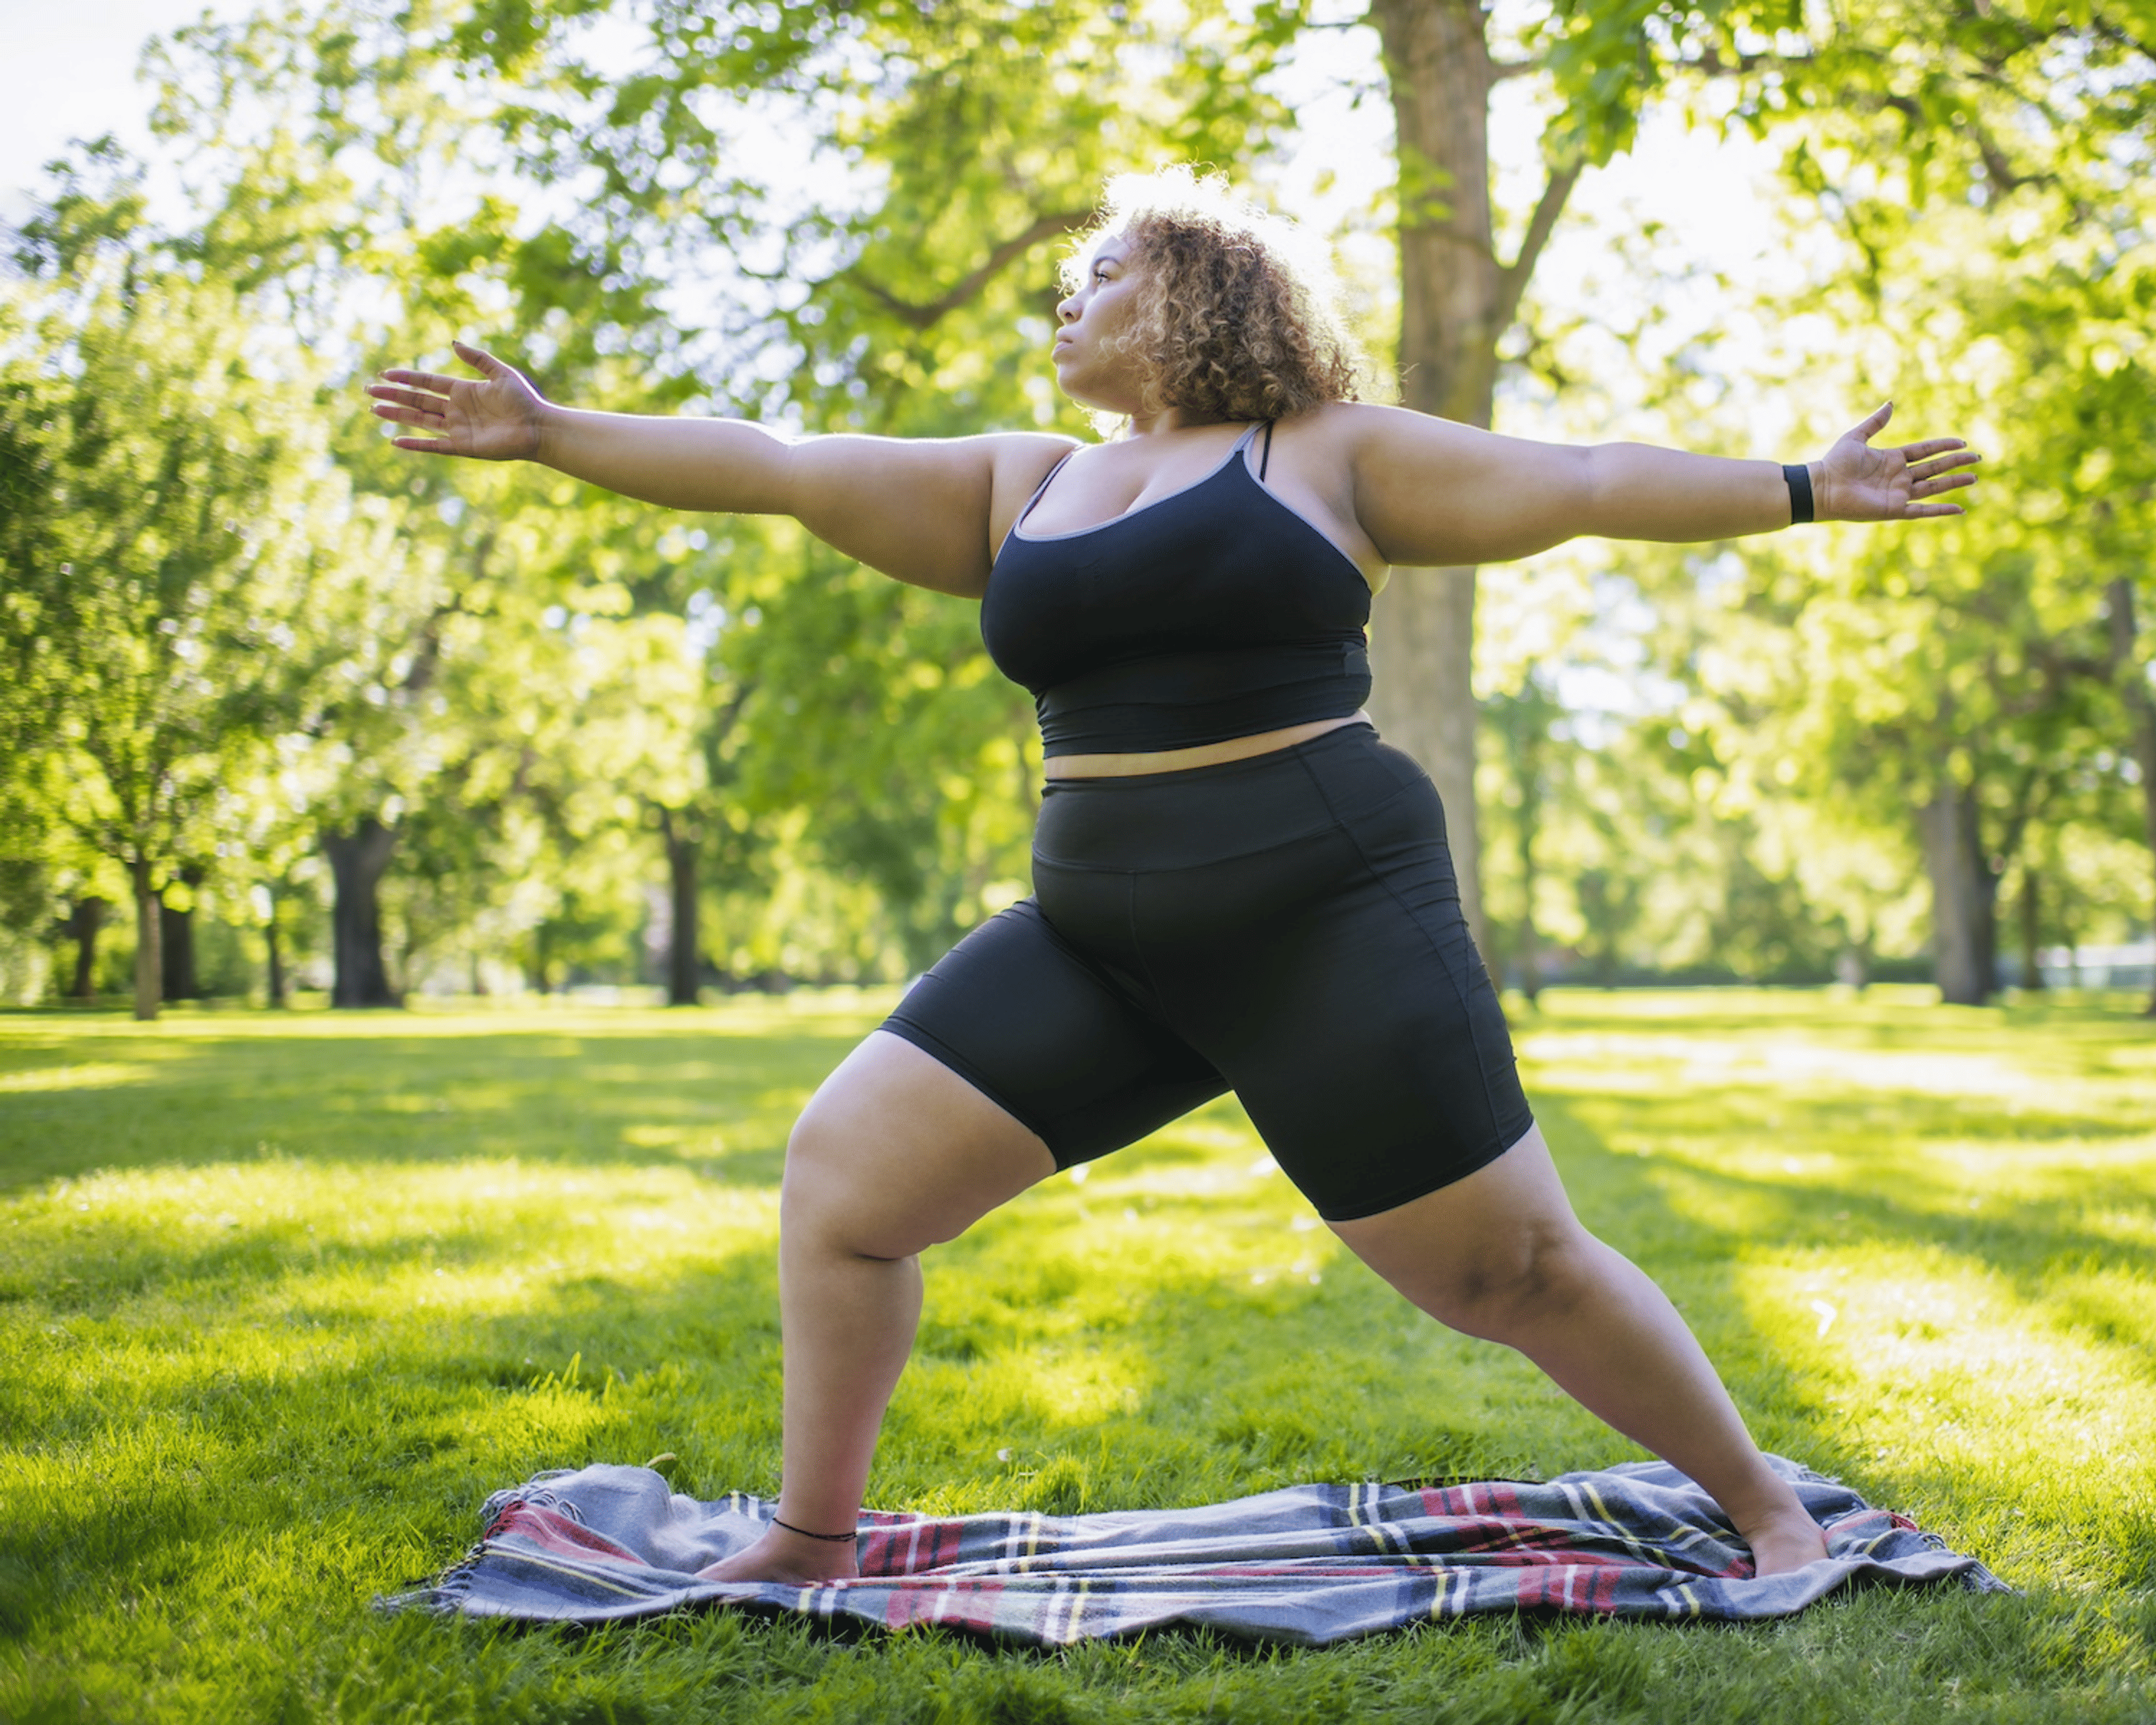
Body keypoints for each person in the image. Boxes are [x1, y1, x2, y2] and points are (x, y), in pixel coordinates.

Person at [367, 170, 1979, 1586]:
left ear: (1206, 290)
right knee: (844, 1192)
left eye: (1108, 270)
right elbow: (777, 460)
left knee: (1509, 1270)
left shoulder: (1331, 453)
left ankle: (1773, 1512)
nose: (1071, 296)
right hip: (1099, 930)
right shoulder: (1022, 482)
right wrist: (556, 433)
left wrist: (1803, 488)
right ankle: (810, 1532)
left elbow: (1583, 480)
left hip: (1321, 909)